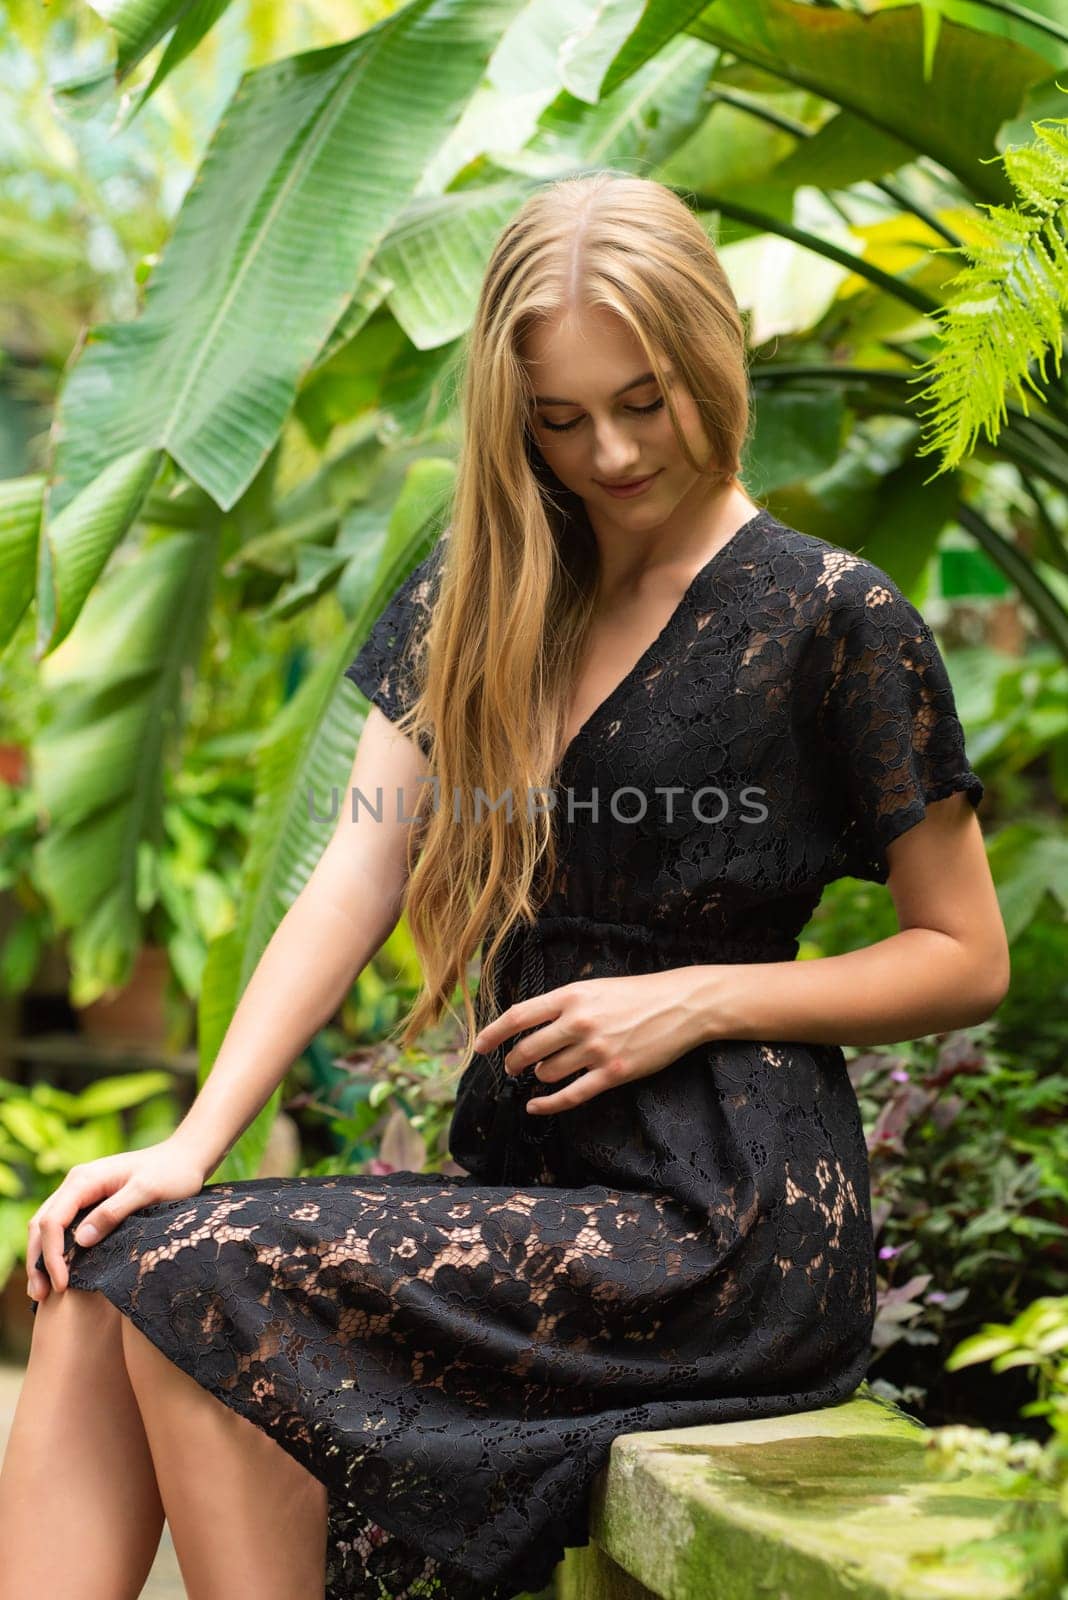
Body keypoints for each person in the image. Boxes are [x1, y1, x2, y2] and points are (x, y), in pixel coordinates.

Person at [0, 170, 1009, 1600]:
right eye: (559, 417)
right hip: (540, 1182)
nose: (606, 450)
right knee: (107, 1267)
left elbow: (967, 953)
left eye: (643, 400)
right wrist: (191, 1143)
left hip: (728, 1217)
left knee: (205, 1289)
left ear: (711, 352)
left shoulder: (833, 615)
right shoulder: (480, 584)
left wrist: (694, 1004)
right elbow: (356, 872)